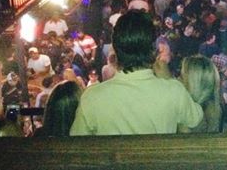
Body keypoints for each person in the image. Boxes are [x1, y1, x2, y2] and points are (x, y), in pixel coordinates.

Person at [70, 10, 203, 135]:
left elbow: (76, 144)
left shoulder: (92, 98)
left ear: (115, 50)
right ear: (153, 50)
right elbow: (198, 123)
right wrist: (168, 78)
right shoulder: (174, 91)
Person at [179, 55, 222, 133]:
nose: (178, 79)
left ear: (192, 82)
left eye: (182, 76)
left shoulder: (186, 114)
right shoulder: (216, 108)